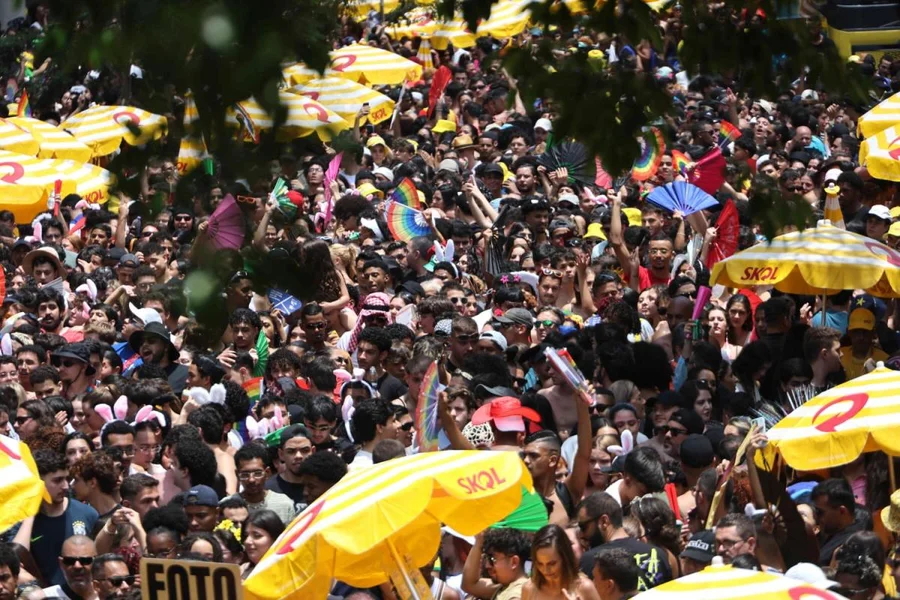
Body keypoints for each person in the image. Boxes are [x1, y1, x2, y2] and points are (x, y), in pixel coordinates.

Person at [24, 450, 99, 587]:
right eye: (57, 480)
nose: (66, 486)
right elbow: (19, 553)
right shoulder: (24, 521)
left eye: (66, 479)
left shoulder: (87, 514)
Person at [577, 492, 672, 591]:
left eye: (583, 527)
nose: (581, 534)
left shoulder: (590, 561)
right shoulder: (658, 554)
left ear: (604, 521)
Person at [524, 524, 600, 599]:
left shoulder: (584, 588)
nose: (546, 570)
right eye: (540, 564)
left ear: (565, 558)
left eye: (552, 564)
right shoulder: (529, 589)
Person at [230, 443, 297, 525]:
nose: (251, 480)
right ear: (237, 474)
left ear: (267, 473)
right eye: (245, 474)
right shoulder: (228, 505)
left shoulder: (284, 504)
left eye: (257, 473)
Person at [811, 478, 863, 566]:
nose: (816, 517)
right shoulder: (829, 534)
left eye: (820, 512)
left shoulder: (852, 545)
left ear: (842, 511)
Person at [266, 424, 312, 508]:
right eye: (291, 451)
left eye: (305, 450)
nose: (298, 456)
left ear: (313, 451)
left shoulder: (323, 488)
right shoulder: (268, 490)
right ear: (281, 454)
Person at [42, 535, 98, 600]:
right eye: (70, 561)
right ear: (61, 563)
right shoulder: (44, 597)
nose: (77, 566)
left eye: (85, 560)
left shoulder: (106, 594)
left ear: (96, 562)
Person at [241, 509, 286, 578]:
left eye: (257, 535)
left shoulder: (290, 575)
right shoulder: (240, 572)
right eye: (246, 535)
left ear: (275, 539)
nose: (247, 541)